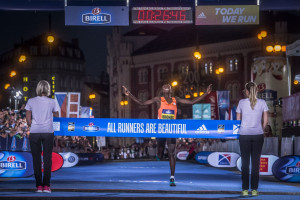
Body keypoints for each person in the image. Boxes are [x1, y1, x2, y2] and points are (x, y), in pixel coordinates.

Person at [122, 83, 212, 186]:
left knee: (171, 153)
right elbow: (142, 102)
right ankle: (159, 154)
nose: (166, 85)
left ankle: (172, 177)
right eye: (164, 85)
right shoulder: (158, 99)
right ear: (162, 90)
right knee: (160, 151)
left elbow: (191, 101)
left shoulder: (175, 99)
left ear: (170, 89)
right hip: (161, 129)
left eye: (168, 85)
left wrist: (206, 93)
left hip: (171, 129)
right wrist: (129, 94)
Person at [25, 80, 59, 193]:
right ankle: (47, 186)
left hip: (35, 131)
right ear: (48, 89)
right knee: (47, 159)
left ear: (38, 89)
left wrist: (33, 124)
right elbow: (57, 116)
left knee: (36, 159)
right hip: (48, 131)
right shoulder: (52, 101)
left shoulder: (31, 101)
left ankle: (39, 186)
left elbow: (28, 119)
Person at [236, 82, 268, 197]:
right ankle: (254, 190)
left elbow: (238, 120)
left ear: (247, 91)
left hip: (244, 135)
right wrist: (261, 129)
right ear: (256, 91)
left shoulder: (241, 103)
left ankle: (245, 189)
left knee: (245, 163)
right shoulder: (263, 102)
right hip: (258, 135)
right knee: (256, 163)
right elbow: (265, 121)